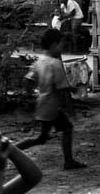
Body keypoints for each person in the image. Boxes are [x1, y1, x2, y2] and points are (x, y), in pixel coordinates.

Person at [17, 28, 85, 170]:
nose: (62, 48)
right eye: (61, 45)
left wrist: (28, 96)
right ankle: (68, 161)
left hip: (42, 103)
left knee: (41, 138)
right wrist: (73, 99)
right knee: (67, 128)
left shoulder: (40, 61)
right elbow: (63, 90)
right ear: (54, 45)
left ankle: (10, 150)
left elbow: (28, 80)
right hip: (52, 106)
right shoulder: (55, 63)